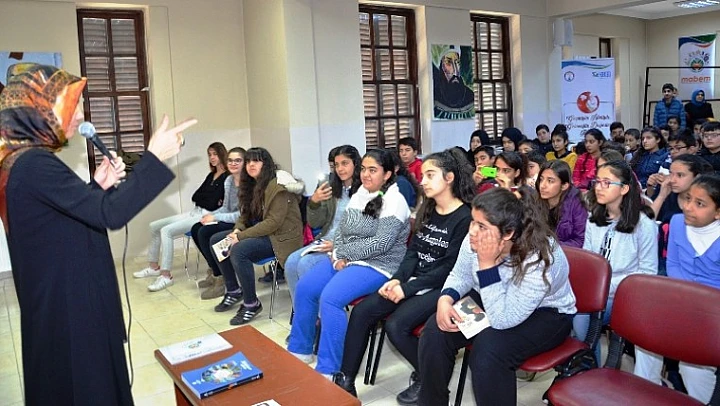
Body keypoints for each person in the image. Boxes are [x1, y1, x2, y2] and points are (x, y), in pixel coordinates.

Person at [0, 63, 196, 405]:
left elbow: (61, 221)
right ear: (40, 109)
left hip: (59, 300)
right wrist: (154, 158)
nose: (80, 114)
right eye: (71, 104)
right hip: (71, 307)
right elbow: (111, 214)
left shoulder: (20, 160)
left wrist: (96, 186)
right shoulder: (34, 164)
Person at [333, 149, 474, 403]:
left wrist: (407, 289)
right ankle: (345, 382)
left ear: (449, 178)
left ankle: (428, 377)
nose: (423, 181)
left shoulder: (465, 218)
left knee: (396, 326)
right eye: (423, 175)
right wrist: (397, 279)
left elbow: (450, 268)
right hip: (414, 280)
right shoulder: (428, 209)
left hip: (444, 287)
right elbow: (412, 253)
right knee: (362, 312)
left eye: (430, 175)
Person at [417, 187, 577, 406]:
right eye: (473, 221)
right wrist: (445, 298)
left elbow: (502, 319)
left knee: (488, 351)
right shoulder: (476, 236)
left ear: (508, 232)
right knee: (435, 332)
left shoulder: (540, 258)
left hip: (547, 313)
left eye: (482, 226)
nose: (473, 231)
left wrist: (487, 265)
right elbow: (460, 275)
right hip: (492, 293)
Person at [287, 149, 411, 378]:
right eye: (363, 169)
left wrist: (344, 253)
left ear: (387, 174)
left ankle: (329, 368)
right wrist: (337, 255)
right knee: (305, 287)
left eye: (372, 170)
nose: (365, 174)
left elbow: (381, 244)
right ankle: (300, 349)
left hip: (378, 266)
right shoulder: (359, 194)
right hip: (347, 259)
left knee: (331, 298)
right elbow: (342, 230)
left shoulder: (396, 200)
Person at [634, 174, 720, 404]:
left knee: (692, 366)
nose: (688, 207)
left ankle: (702, 401)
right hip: (681, 298)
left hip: (713, 310)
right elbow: (673, 264)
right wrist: (688, 298)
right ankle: (645, 391)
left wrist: (699, 301)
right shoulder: (678, 222)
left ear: (718, 212)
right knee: (646, 336)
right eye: (687, 198)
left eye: (700, 203)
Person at [573, 160, 658, 363]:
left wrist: (604, 286)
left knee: (582, 318)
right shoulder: (594, 217)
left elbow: (648, 272)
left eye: (607, 183)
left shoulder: (644, 225)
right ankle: (588, 368)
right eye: (597, 181)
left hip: (624, 294)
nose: (599, 187)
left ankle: (590, 368)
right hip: (594, 291)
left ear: (624, 188)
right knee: (568, 310)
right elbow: (588, 260)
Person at [210, 147, 304, 325]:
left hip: (281, 237)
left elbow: (273, 223)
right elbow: (244, 215)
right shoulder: (251, 185)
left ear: (266, 164)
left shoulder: (278, 186)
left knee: (239, 250)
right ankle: (233, 290)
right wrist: (237, 230)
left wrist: (241, 237)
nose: (251, 165)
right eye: (248, 161)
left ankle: (251, 304)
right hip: (263, 232)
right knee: (217, 240)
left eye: (256, 161)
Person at [133, 141, 228, 291]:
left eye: (215, 154)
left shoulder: (227, 177)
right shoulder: (212, 175)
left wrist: (207, 199)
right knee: (154, 226)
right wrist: (208, 199)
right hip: (195, 211)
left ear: (222, 155)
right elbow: (195, 196)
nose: (211, 158)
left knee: (166, 231)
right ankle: (153, 267)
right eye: (209, 155)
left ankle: (166, 276)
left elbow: (211, 204)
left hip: (206, 216)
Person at [284, 145, 362, 304]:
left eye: (345, 163)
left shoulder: (365, 189)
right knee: (291, 262)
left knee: (306, 264)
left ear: (355, 163)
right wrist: (314, 202)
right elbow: (315, 223)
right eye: (336, 165)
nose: (340, 169)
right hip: (325, 239)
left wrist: (337, 245)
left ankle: (317, 313)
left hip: (346, 245)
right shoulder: (331, 186)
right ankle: (300, 310)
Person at [192, 147, 246, 300]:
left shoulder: (248, 183)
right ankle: (215, 272)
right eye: (230, 160)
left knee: (207, 233)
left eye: (238, 160)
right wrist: (211, 216)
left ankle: (221, 279)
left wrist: (216, 218)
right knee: (197, 228)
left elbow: (242, 215)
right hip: (230, 218)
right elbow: (226, 207)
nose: (233, 163)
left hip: (242, 223)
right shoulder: (229, 180)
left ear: (245, 162)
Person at [536, 160, 587, 248]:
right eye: (541, 179)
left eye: (550, 181)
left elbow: (580, 241)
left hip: (565, 253)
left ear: (564, 186)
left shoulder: (576, 205)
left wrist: (551, 247)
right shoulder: (535, 200)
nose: (542, 185)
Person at [433, 46, 474, 120]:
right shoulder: (435, 99)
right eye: (449, 62)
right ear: (441, 67)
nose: (455, 71)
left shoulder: (470, 97)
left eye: (457, 62)